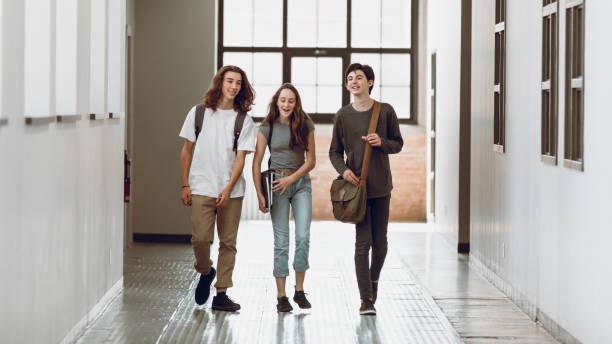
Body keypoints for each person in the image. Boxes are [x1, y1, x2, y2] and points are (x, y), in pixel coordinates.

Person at [179, 65, 256, 311]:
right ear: (220, 83)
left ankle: (221, 293)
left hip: (231, 191)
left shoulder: (244, 120)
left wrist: (228, 187)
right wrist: (185, 184)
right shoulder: (199, 113)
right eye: (229, 81)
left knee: (228, 242)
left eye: (238, 83)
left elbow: (241, 158)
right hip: (201, 186)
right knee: (200, 239)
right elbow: (186, 151)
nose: (233, 87)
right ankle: (205, 270)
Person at [329, 63, 404, 315]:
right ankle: (366, 300)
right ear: (346, 85)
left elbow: (398, 144)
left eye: (359, 78)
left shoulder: (385, 111)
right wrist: (343, 170)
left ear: (370, 82)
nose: (354, 82)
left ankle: (372, 283)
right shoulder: (342, 115)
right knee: (363, 244)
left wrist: (381, 142)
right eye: (349, 78)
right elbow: (334, 152)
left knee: (380, 245)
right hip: (356, 190)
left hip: (381, 187)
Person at [252, 83, 316, 312]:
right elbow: (257, 161)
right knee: (281, 243)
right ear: (276, 102)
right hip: (276, 185)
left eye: (291, 100)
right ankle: (281, 296)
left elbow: (311, 161)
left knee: (303, 237)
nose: (286, 104)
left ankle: (299, 291)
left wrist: (292, 179)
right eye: (283, 100)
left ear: (296, 103)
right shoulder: (267, 126)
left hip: (300, 184)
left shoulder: (305, 124)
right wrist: (260, 193)